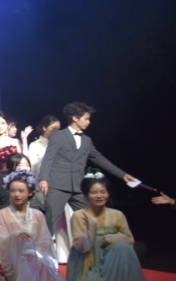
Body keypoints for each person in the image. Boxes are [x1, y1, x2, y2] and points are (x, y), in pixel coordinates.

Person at [38, 102, 134, 260]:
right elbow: (48, 158)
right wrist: (44, 179)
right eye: (86, 118)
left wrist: (122, 175)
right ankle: (38, 257)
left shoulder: (87, 140)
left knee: (90, 218)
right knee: (50, 221)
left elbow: (100, 159)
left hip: (77, 186)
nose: (89, 122)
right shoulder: (59, 136)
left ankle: (96, 252)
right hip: (58, 184)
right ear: (75, 118)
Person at [0, 170, 80, 281]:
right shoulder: (2, 214)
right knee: (27, 255)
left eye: (21, 191)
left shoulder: (38, 214)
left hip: (36, 256)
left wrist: (34, 251)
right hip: (13, 258)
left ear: (30, 193)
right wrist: (15, 237)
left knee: (38, 260)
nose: (16, 194)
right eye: (13, 191)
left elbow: (45, 239)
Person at [67, 173, 150, 281]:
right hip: (88, 258)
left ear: (109, 193)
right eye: (94, 192)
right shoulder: (79, 215)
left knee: (121, 246)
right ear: (86, 195)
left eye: (103, 192)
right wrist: (91, 230)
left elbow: (130, 240)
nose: (99, 196)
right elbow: (79, 246)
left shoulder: (117, 215)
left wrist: (114, 239)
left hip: (113, 260)